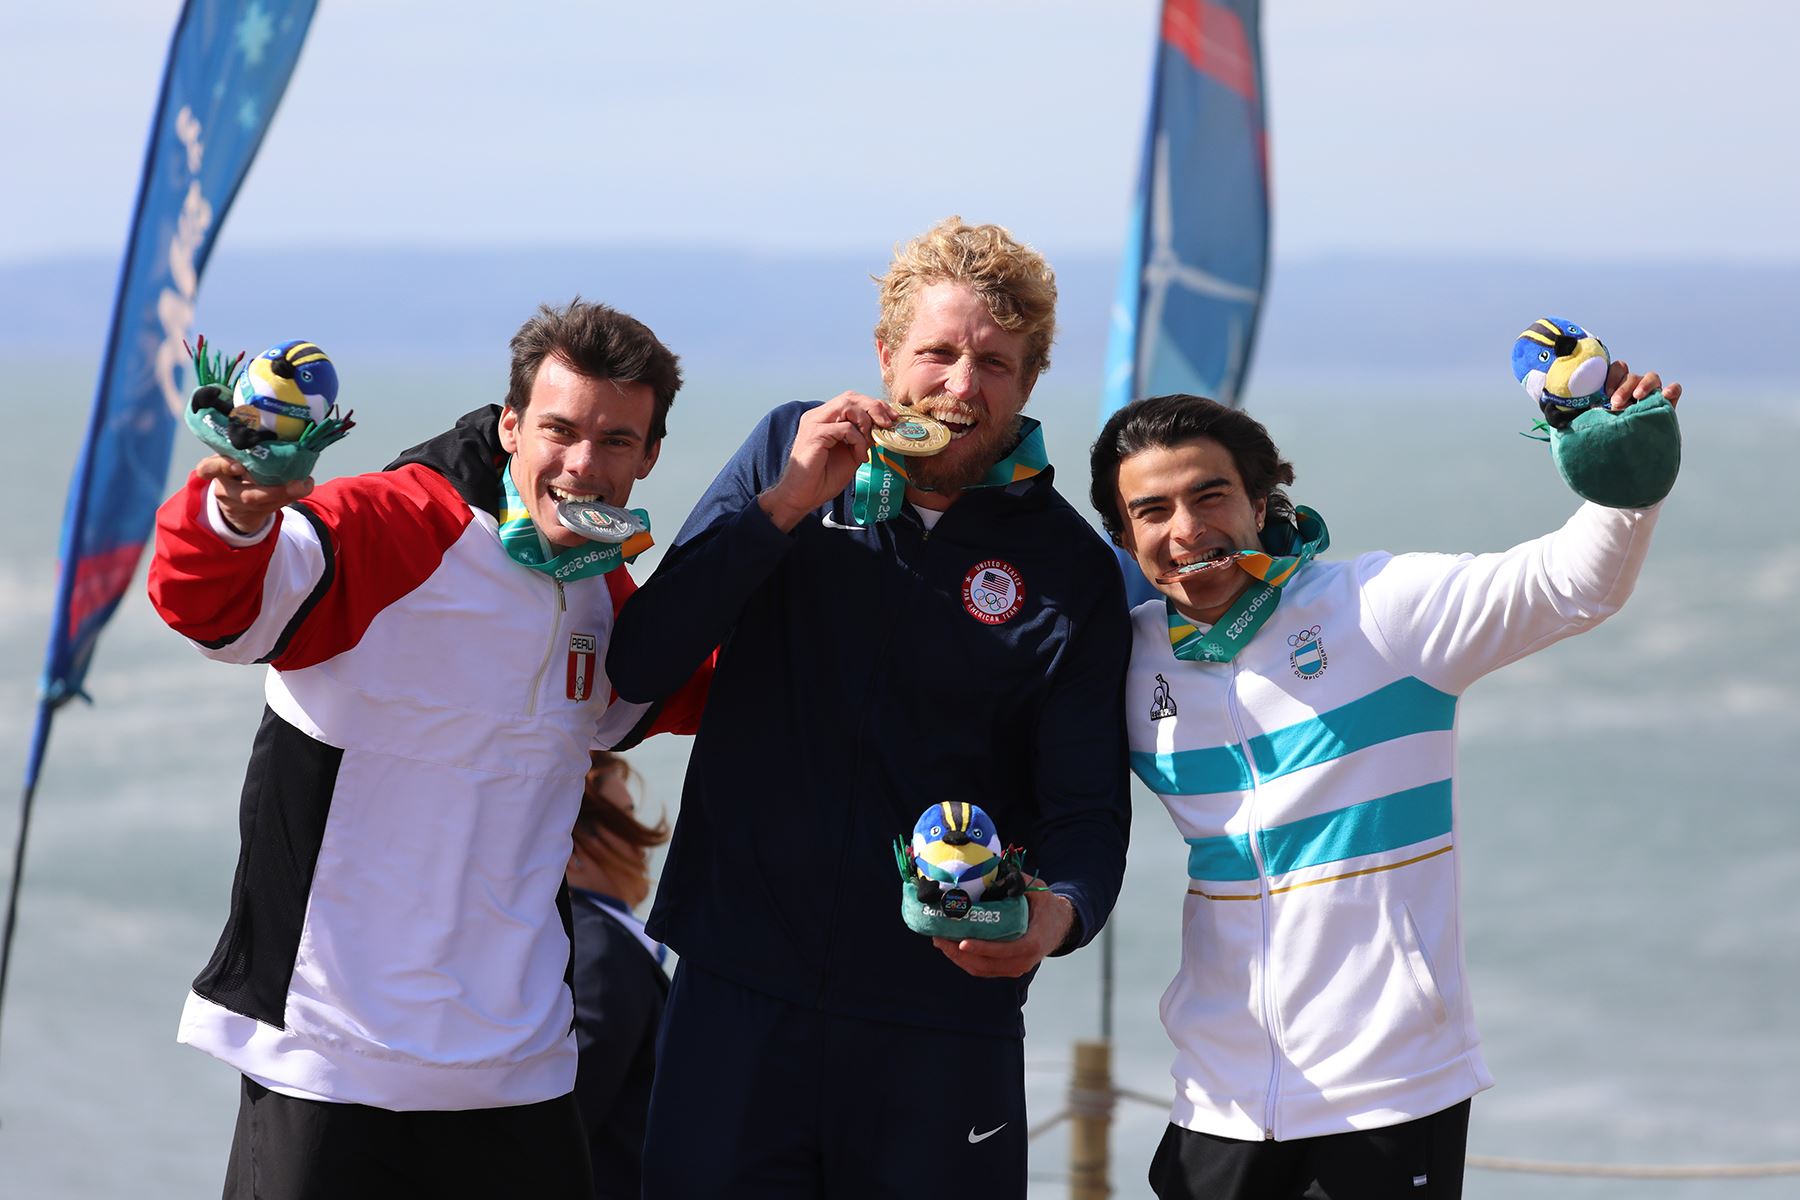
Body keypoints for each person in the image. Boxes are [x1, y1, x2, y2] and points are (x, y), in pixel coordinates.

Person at [607, 216, 1132, 1197]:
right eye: (936, 353)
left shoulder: (1071, 567)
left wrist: (1056, 919)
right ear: (888, 356)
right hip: (738, 993)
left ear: (1030, 382)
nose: (961, 386)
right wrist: (781, 509)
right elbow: (642, 659)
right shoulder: (791, 455)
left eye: (996, 363)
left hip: (942, 1019)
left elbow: (1087, 809)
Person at [145, 299, 709, 1199]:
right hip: (330, 1063)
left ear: (648, 458)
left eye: (614, 442)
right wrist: (237, 513)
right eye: (559, 430)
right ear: (513, 425)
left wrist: (804, 523)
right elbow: (214, 606)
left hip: (522, 1073)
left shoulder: (604, 592)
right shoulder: (395, 524)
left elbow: (717, 685)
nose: (581, 465)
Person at [1089, 365, 1681, 1200]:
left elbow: (1569, 585)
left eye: (1210, 496)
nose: (1186, 530)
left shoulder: (1378, 610)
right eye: (1152, 511)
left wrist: (1628, 484)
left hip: (1389, 1088)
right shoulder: (1125, 658)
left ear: (1260, 504)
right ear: (1123, 536)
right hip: (1216, 1095)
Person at [566, 751, 670, 1200]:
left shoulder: (594, 941)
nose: (641, 843)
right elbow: (573, 1121)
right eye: (624, 822)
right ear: (573, 852)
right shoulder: (602, 951)